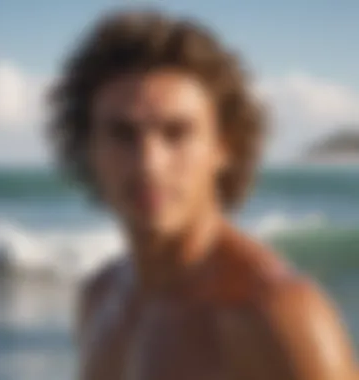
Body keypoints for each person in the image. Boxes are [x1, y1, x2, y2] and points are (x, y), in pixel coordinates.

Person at [49, 10, 358, 380]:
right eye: (122, 134)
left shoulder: (277, 316)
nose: (149, 163)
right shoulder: (99, 297)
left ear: (223, 146)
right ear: (89, 147)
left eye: (176, 133)